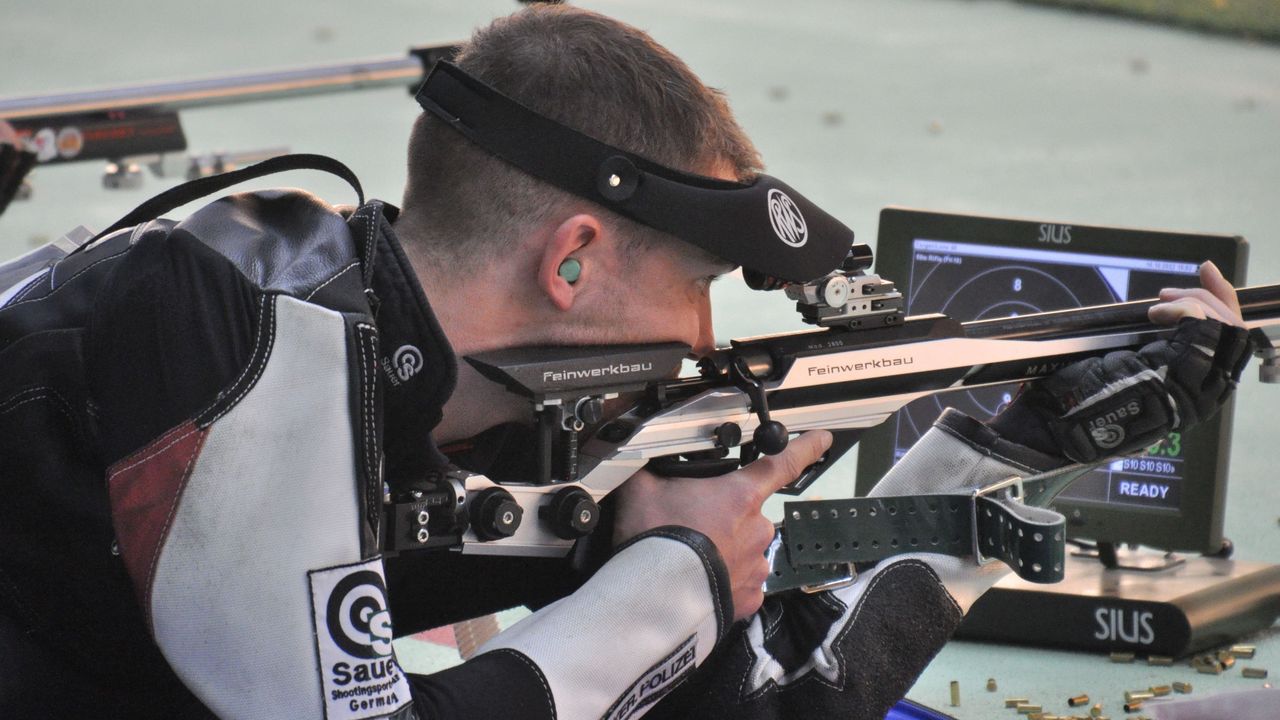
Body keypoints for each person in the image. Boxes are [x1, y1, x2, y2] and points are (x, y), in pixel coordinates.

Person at [0, 5, 1252, 720]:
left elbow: (769, 704)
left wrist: (994, 455)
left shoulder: (450, 395)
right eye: (705, 288)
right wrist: (673, 574)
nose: (710, 346)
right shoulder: (241, 321)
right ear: (573, 261)